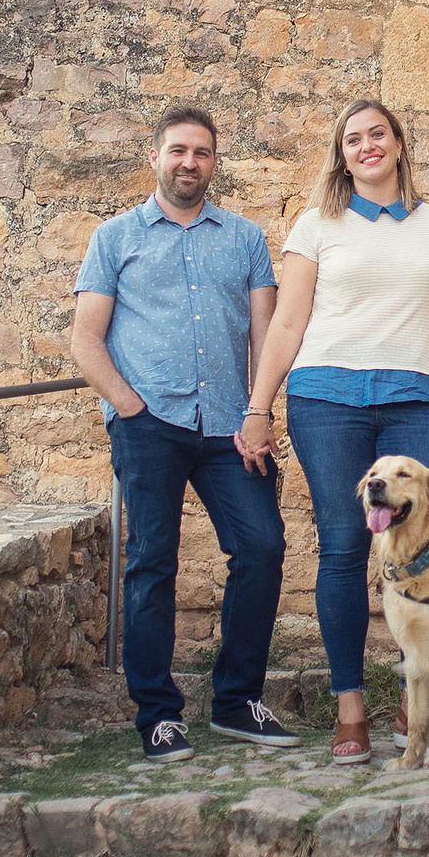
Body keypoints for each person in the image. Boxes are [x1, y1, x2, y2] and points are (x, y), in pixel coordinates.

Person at [239, 98, 429, 764]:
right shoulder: (317, 226)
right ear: (341, 156)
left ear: (400, 144)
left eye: (379, 134)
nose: (367, 146)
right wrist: (259, 406)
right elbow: (287, 323)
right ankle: (351, 711)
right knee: (345, 548)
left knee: (424, 548)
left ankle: (417, 702)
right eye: (353, 140)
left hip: (415, 400)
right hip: (327, 398)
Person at [71, 106, 299, 763]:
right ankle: (158, 715)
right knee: (151, 565)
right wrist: (127, 405)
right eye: (177, 151)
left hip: (232, 426)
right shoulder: (115, 239)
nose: (188, 163)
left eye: (200, 153)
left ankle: (236, 701)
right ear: (155, 158)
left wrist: (260, 409)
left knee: (261, 548)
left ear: (213, 162)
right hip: (150, 427)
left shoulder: (245, 238)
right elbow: (86, 339)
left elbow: (266, 332)